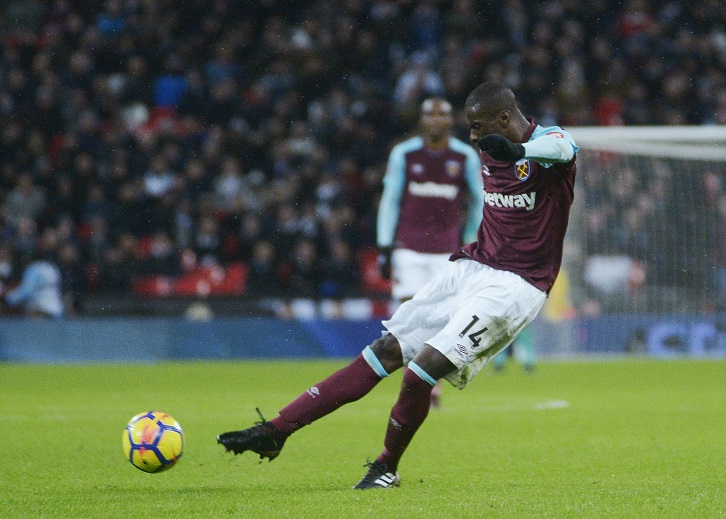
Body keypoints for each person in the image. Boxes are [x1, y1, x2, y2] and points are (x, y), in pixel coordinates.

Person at [217, 81, 578, 490]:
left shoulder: (546, 146)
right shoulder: (482, 148)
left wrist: (521, 152)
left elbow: (564, 147)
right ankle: (277, 431)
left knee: (421, 370)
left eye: (478, 127)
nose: (474, 136)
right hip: (473, 266)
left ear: (503, 118)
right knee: (384, 351)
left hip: (516, 285)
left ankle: (386, 466)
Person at [377, 96, 483, 407]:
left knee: (443, 318)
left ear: (451, 120)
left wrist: (470, 241)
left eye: (442, 114)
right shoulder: (404, 154)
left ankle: (428, 379)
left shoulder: (464, 156)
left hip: (447, 252)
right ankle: (415, 377)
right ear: (422, 120)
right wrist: (384, 245)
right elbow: (390, 199)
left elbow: (478, 200)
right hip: (408, 248)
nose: (436, 119)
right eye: (430, 114)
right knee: (410, 313)